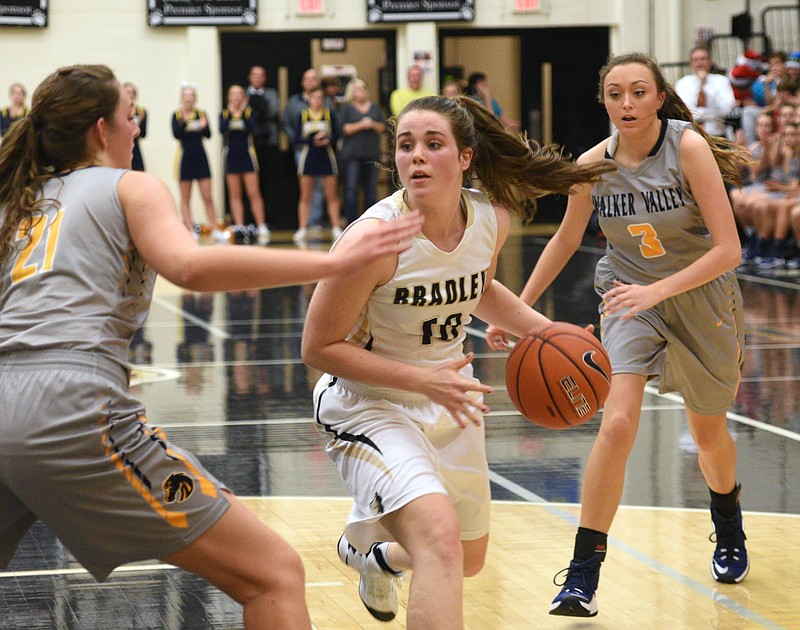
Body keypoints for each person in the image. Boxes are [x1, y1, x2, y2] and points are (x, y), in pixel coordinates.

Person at [0, 64, 425, 630]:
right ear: (102, 130)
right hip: (71, 404)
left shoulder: (17, 202)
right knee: (273, 574)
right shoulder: (129, 185)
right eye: (130, 118)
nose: (135, 131)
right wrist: (335, 261)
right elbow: (191, 266)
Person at [301, 95, 612, 627]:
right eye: (405, 146)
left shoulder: (491, 219)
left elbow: (479, 286)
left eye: (432, 144)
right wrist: (421, 380)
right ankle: (383, 547)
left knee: (467, 559)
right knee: (440, 539)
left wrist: (546, 333)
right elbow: (319, 348)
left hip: (450, 394)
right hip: (369, 403)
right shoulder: (375, 238)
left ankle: (374, 555)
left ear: (465, 157)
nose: (416, 156)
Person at [486, 52, 751, 618]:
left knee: (708, 437)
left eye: (637, 92)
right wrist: (516, 311)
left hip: (701, 296)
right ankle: (582, 574)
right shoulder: (594, 165)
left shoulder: (688, 148)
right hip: (630, 298)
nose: (626, 104)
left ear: (658, 98)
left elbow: (730, 249)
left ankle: (727, 520)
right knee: (618, 422)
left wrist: (657, 292)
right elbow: (562, 240)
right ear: (603, 101)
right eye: (614, 94)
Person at [171, 83, 225, 241]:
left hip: (200, 156)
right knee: (186, 197)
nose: (188, 99)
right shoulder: (177, 115)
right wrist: (186, 123)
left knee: (207, 196)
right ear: (182, 98)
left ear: (195, 98)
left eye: (191, 96)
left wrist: (203, 126)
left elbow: (209, 135)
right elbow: (176, 133)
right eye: (186, 96)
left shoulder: (201, 114)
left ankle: (214, 227)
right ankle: (189, 228)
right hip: (184, 156)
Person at [220, 84, 270, 245]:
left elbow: (250, 128)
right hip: (231, 155)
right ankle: (239, 225)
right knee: (235, 194)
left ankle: (261, 225)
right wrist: (232, 113)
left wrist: (240, 112)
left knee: (253, 192)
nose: (235, 97)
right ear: (228, 97)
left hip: (247, 154)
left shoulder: (249, 113)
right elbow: (223, 129)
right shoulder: (224, 113)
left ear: (243, 96)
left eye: (238, 94)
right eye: (232, 94)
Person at [283, 68, 331, 233]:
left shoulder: (328, 103)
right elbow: (287, 123)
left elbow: (335, 127)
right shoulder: (294, 102)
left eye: (314, 79)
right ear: (303, 82)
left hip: (324, 152)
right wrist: (300, 141)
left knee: (321, 187)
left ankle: (315, 222)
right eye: (307, 79)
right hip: (302, 150)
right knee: (307, 187)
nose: (310, 82)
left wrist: (327, 140)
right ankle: (304, 225)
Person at [293, 86, 342, 243]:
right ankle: (302, 228)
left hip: (326, 156)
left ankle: (335, 227)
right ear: (308, 98)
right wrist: (312, 140)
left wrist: (328, 140)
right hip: (309, 156)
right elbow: (296, 138)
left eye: (320, 98)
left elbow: (337, 135)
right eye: (314, 98)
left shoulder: (329, 114)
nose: (317, 101)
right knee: (305, 196)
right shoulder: (303, 115)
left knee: (331, 195)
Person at [337, 78, 386, 225]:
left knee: (371, 190)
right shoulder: (346, 108)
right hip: (352, 155)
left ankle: (370, 223)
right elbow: (344, 129)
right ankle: (351, 223)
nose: (362, 90)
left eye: (364, 87)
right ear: (352, 92)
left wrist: (372, 124)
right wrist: (361, 125)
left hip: (372, 154)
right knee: (351, 190)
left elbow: (383, 127)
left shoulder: (375, 107)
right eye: (359, 88)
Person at [675, 44, 736, 138]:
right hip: (691, 135)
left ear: (710, 62)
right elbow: (685, 112)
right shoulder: (682, 83)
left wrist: (705, 86)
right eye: (695, 60)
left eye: (703, 59)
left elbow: (727, 109)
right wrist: (711, 114)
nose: (699, 63)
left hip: (717, 135)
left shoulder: (722, 81)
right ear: (690, 64)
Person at [245, 65, 281, 219]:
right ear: (249, 77)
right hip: (248, 144)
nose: (258, 78)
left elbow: (272, 111)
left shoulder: (271, 94)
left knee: (269, 180)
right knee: (250, 183)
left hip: (269, 142)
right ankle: (249, 219)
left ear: (265, 78)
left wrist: (255, 109)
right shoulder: (243, 94)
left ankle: (269, 218)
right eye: (255, 75)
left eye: (261, 75)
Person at [123, 82, 147, 171]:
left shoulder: (141, 112)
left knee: (139, 170)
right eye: (127, 92)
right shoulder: (118, 111)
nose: (129, 95)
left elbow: (143, 134)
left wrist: (140, 122)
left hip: (135, 146)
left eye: (131, 92)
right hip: (122, 146)